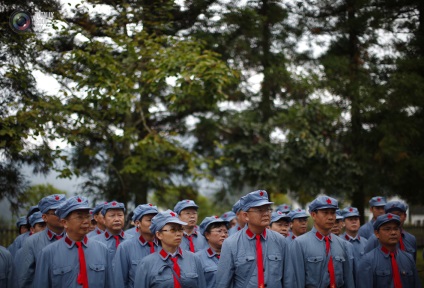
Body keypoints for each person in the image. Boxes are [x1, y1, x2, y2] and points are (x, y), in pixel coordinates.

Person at [215, 190, 292, 288]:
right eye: (260, 210)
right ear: (246, 216)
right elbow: (223, 283)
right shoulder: (231, 244)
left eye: (268, 209)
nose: (266, 214)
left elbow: (288, 279)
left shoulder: (280, 241)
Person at [34, 196, 112, 288]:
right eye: (79, 217)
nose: (86, 221)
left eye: (87, 216)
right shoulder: (48, 253)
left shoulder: (103, 250)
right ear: (65, 223)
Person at [289, 195, 354, 288]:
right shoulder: (299, 244)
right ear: (313, 215)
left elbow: (348, 280)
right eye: (325, 213)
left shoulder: (342, 244)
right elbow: (297, 281)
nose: (331, 217)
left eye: (333, 213)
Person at [134, 209, 206, 287]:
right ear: (159, 235)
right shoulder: (146, 264)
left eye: (180, 229)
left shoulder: (194, 259)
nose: (178, 234)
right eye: (173, 230)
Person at [356, 213, 421, 287]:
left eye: (396, 229)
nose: (393, 232)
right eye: (387, 229)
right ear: (377, 233)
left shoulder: (408, 258)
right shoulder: (368, 261)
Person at [17, 194, 67, 288]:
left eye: (63, 211)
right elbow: (25, 279)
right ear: (45, 217)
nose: (61, 215)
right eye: (56, 212)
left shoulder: (74, 238)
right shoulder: (32, 242)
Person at [113, 203, 160, 288]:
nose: (154, 223)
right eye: (149, 220)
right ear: (137, 223)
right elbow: (119, 281)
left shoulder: (164, 244)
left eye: (156, 219)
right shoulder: (125, 247)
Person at [196, 216, 229, 288]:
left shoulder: (232, 255)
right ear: (207, 235)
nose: (224, 235)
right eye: (219, 231)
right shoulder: (197, 258)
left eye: (226, 232)